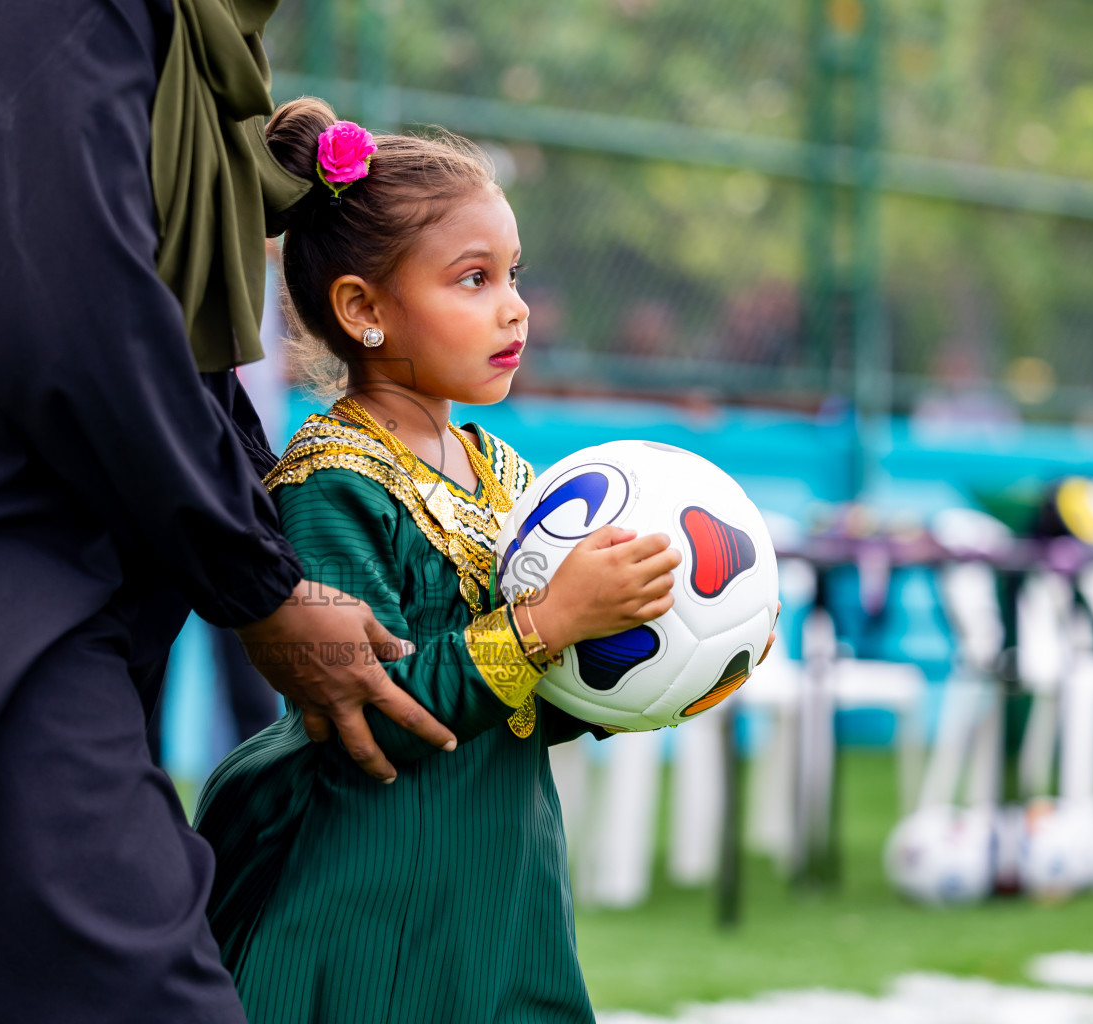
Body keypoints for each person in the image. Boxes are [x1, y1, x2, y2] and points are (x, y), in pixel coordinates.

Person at [0, 2, 455, 1022]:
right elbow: (73, 306)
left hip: (24, 574)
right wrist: (259, 583)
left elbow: (135, 308)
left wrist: (268, 550)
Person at [195, 100, 772, 1023]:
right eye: (472, 279)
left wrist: (656, 660)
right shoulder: (331, 485)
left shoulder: (509, 478)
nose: (513, 306)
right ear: (364, 310)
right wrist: (549, 624)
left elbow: (521, 710)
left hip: (505, 896)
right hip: (377, 916)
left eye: (513, 275)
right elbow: (368, 724)